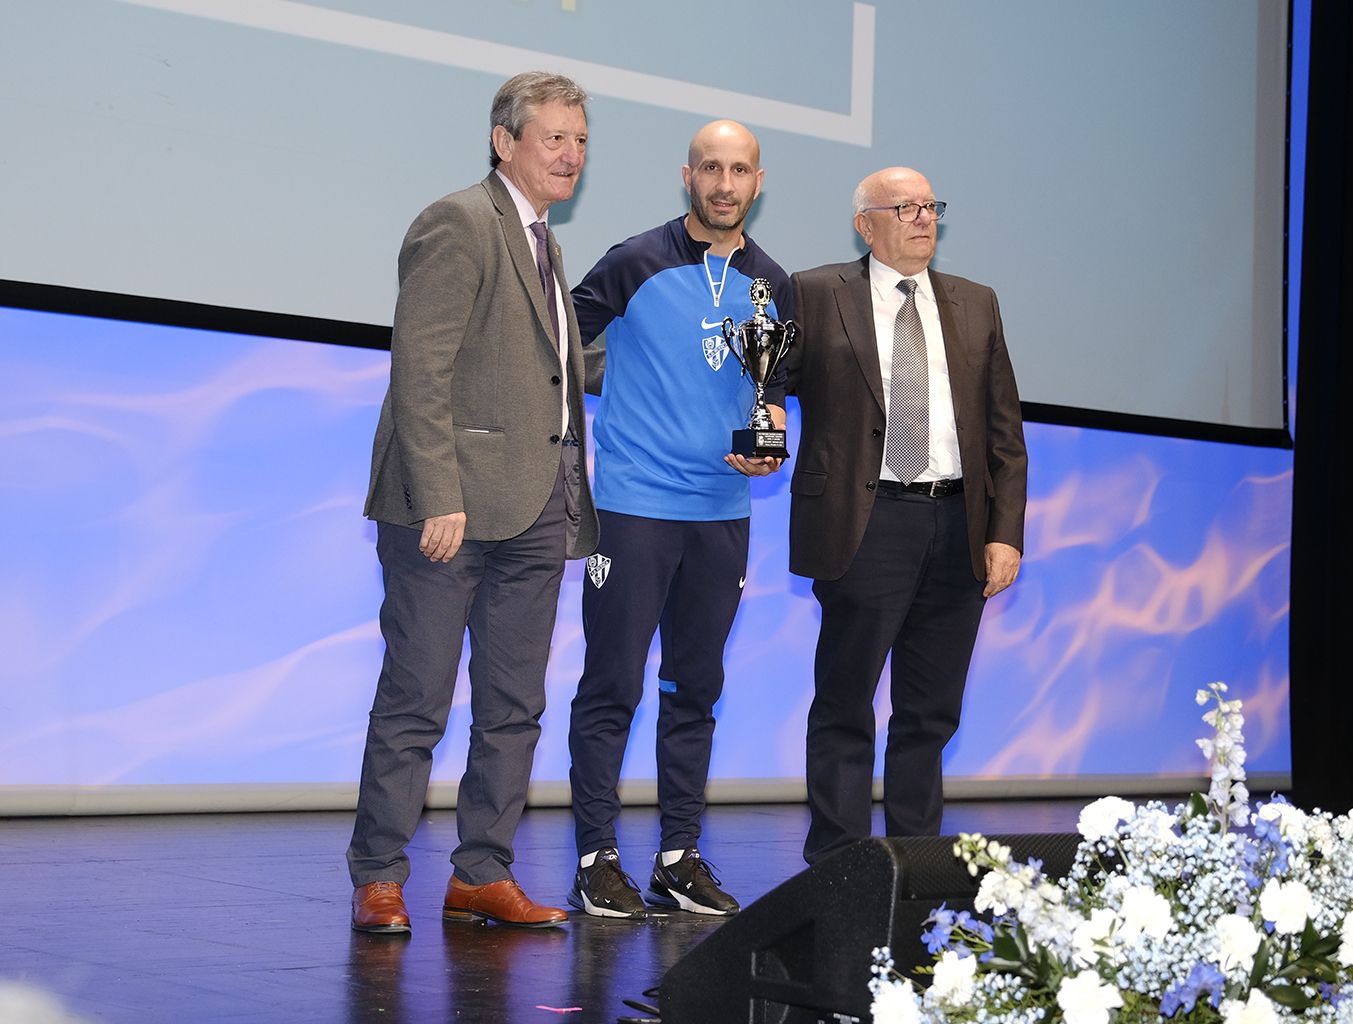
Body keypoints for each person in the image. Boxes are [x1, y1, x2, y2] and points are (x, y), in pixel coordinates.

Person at [346, 71, 598, 934]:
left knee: (513, 706)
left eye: (579, 140)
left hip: (534, 510)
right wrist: (438, 495)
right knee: (417, 699)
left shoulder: (544, 244)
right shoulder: (459, 221)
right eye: (553, 138)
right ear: (506, 141)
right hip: (445, 510)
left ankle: (481, 871)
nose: (570, 154)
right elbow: (420, 369)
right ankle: (379, 875)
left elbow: (547, 376)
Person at [563, 120, 790, 918]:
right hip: (633, 507)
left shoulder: (773, 284)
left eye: (739, 170)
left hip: (723, 511)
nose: (724, 183)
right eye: (710, 168)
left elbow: (769, 389)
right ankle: (595, 858)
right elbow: (552, 343)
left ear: (758, 182)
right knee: (613, 684)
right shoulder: (634, 262)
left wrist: (771, 439)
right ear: (686, 176)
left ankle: (678, 855)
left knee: (696, 688)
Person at [784, 166, 1029, 864]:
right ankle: (837, 864)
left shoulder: (976, 303)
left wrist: (1004, 531)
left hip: (957, 526)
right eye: (905, 208)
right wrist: (764, 416)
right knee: (845, 703)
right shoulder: (817, 291)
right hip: (867, 521)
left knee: (929, 713)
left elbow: (1005, 431)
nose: (923, 219)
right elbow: (771, 380)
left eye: (930, 207)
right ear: (867, 225)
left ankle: (916, 865)